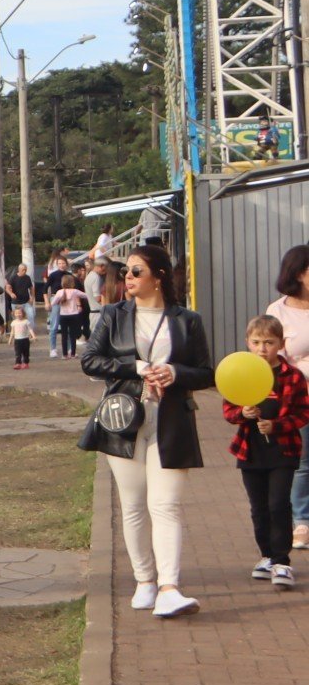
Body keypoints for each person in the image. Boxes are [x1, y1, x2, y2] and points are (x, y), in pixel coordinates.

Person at [81, 242, 215, 619]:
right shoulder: (113, 315)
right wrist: (137, 368)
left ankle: (170, 588)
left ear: (158, 277)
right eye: (126, 272)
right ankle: (145, 581)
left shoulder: (187, 320)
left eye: (136, 271)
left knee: (167, 505)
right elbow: (90, 360)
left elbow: (206, 372)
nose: (128, 278)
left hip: (171, 420)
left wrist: (174, 373)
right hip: (123, 419)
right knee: (135, 505)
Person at [227, 315, 309, 590]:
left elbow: (303, 413)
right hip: (250, 451)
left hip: (283, 452)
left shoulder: (293, 376)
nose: (263, 349)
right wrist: (243, 413)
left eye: (269, 343)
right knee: (258, 508)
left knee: (278, 504)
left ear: (281, 344)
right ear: (248, 343)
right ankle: (266, 556)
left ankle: (282, 560)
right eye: (257, 342)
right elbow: (229, 410)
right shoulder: (240, 372)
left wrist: (277, 425)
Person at [268, 245, 309, 548]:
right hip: (300, 398)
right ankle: (302, 522)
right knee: (303, 462)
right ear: (299, 274)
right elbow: (273, 358)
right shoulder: (277, 311)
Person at [53, 278, 89, 358]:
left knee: (64, 336)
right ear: (72, 283)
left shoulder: (60, 292)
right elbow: (86, 295)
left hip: (63, 315)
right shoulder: (75, 291)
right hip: (74, 315)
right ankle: (73, 353)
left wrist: (59, 301)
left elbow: (53, 302)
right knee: (73, 335)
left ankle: (64, 354)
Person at [7, 263, 33, 328]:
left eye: (25, 270)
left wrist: (32, 297)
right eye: (23, 270)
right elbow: (7, 287)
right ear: (19, 270)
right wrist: (11, 293)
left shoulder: (27, 277)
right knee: (16, 318)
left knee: (31, 316)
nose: (25, 271)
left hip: (26, 301)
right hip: (16, 302)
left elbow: (31, 288)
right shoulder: (13, 278)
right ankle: (16, 331)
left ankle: (30, 332)